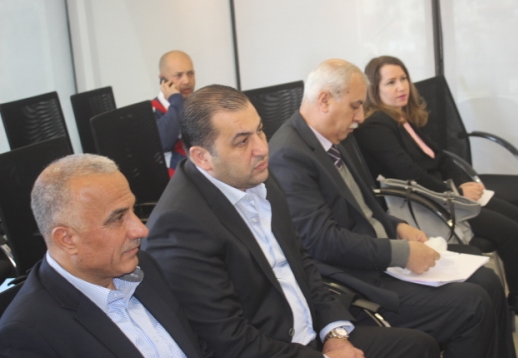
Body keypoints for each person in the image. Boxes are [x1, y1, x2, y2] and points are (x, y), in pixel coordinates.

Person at [142, 84, 440, 358]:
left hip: (314, 336)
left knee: (420, 347)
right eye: (242, 141)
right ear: (202, 157)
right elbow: (230, 341)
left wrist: (335, 334)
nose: (262, 148)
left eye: (260, 131)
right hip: (272, 350)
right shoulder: (179, 225)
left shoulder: (258, 177)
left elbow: (302, 263)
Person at [269, 59, 516, 358]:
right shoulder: (289, 155)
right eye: (355, 106)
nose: (360, 117)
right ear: (324, 100)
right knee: (472, 305)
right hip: (354, 278)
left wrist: (397, 225)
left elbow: (363, 207)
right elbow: (321, 241)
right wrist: (400, 253)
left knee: (488, 281)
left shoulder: (333, 138)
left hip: (377, 255)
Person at [354, 55, 518, 330]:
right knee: (509, 230)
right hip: (424, 203)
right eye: (390, 82)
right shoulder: (377, 126)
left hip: (443, 195)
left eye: (403, 78)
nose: (400, 87)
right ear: (375, 90)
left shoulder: (403, 117)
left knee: (515, 216)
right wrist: (454, 190)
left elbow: (440, 158)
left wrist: (463, 185)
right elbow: (409, 173)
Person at [0, 154, 208, 358]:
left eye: (133, 211)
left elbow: (196, 348)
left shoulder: (143, 266)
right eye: (117, 218)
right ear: (67, 240)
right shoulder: (28, 336)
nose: (141, 230)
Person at [153, 50, 196, 176]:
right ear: (163, 80)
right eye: (178, 75)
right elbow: (163, 142)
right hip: (177, 181)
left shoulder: (199, 105)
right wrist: (176, 100)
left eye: (190, 73)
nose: (186, 81)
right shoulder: (153, 110)